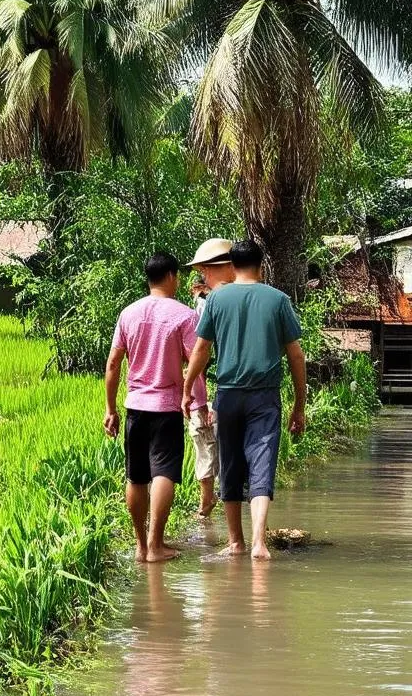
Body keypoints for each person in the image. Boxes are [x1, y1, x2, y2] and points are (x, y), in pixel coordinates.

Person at [183, 240, 307, 560]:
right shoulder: (278, 300)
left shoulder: (216, 299)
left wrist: (186, 389)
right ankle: (259, 543)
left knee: (232, 466)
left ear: (232, 266)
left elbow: (201, 350)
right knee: (262, 464)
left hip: (228, 395)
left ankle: (236, 542)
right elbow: (296, 355)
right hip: (265, 397)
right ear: (261, 265)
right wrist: (299, 406)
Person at [105, 253, 211, 563]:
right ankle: (156, 544)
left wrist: (110, 409)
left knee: (136, 476)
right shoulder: (183, 316)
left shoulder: (128, 313)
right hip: (166, 408)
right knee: (164, 471)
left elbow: (113, 363)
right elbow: (196, 363)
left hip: (135, 407)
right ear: (171, 276)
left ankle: (140, 546)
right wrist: (198, 402)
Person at [185, 237, 237, 516]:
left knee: (207, 443)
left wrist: (194, 396)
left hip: (215, 394)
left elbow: (200, 352)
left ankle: (209, 506)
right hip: (219, 394)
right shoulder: (203, 308)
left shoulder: (208, 308)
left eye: (206, 270)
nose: (203, 277)